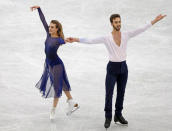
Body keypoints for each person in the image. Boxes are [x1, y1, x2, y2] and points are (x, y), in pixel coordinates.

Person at [67, 14, 166, 128]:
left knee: (121, 92)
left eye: (119, 22)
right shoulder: (106, 38)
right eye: (116, 22)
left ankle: (118, 115)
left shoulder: (126, 35)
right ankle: (108, 116)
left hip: (124, 68)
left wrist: (154, 21)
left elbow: (141, 29)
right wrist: (75, 39)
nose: (118, 24)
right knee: (109, 93)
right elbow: (91, 40)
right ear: (111, 24)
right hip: (112, 68)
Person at [30, 6, 79, 120]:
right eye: (50, 27)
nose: (50, 28)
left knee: (57, 87)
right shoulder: (48, 34)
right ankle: (72, 103)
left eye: (52, 27)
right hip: (49, 64)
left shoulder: (59, 40)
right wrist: (39, 9)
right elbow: (43, 20)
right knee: (62, 84)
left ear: (57, 29)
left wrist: (70, 40)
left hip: (57, 65)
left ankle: (53, 110)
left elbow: (66, 40)